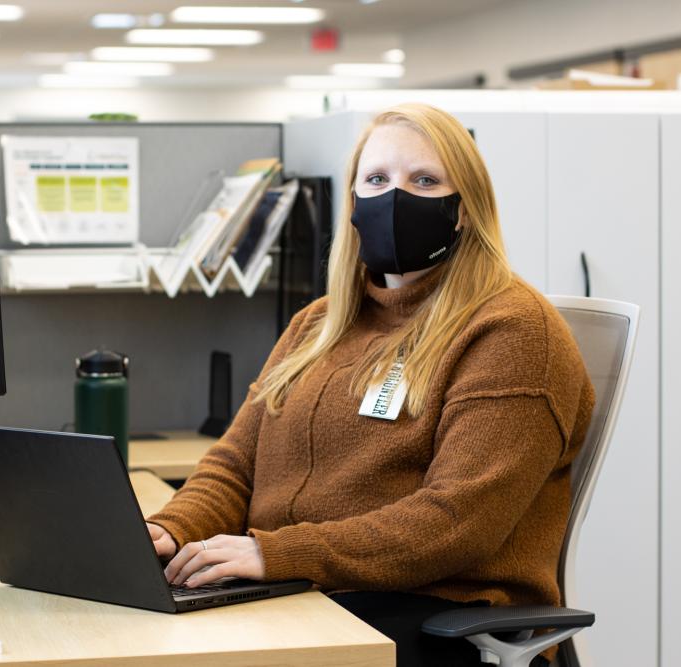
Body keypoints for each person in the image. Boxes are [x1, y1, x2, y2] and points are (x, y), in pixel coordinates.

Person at [147, 103, 595, 666]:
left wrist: (278, 555)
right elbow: (237, 464)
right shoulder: (319, 324)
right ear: (355, 202)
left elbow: (457, 523)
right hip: (303, 594)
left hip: (431, 619)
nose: (395, 198)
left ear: (465, 209)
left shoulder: (512, 331)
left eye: (425, 181)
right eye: (377, 180)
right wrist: (168, 529)